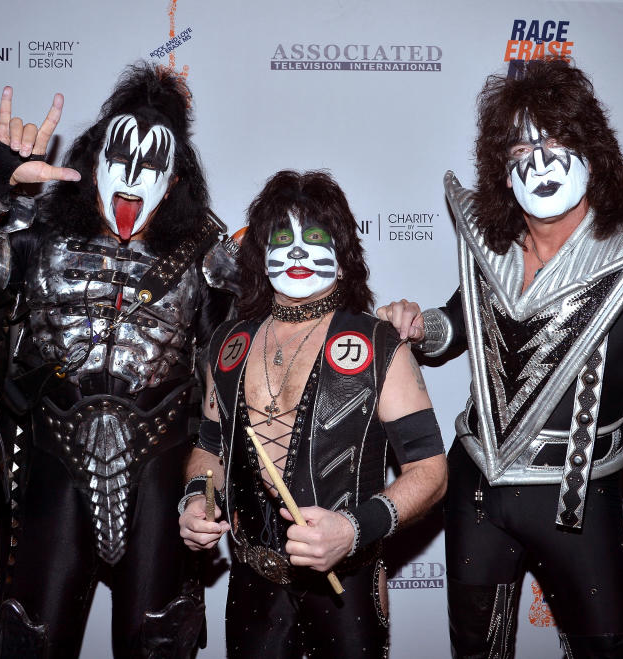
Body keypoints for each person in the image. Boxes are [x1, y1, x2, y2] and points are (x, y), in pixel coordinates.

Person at [377, 59, 623, 657]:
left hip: (578, 502)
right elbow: (457, 324)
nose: (540, 163)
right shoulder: (493, 249)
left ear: (594, 153)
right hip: (473, 488)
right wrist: (419, 325)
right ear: (502, 170)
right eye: (520, 150)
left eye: (557, 141)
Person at [0, 63, 238, 658]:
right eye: (119, 156)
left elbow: (240, 374)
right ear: (89, 160)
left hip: (163, 470)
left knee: (159, 640)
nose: (132, 176)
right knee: (32, 638)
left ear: (177, 177)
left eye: (153, 164)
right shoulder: (34, 235)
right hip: (51, 461)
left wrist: (205, 486)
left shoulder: (205, 254)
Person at [178, 170, 448, 658]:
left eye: (315, 237)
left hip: (347, 591)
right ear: (261, 254)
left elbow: (430, 471)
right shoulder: (227, 347)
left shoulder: (377, 343)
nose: (298, 251)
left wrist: (353, 529)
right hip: (250, 589)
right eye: (283, 237)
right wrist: (197, 500)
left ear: (344, 261)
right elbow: (210, 448)